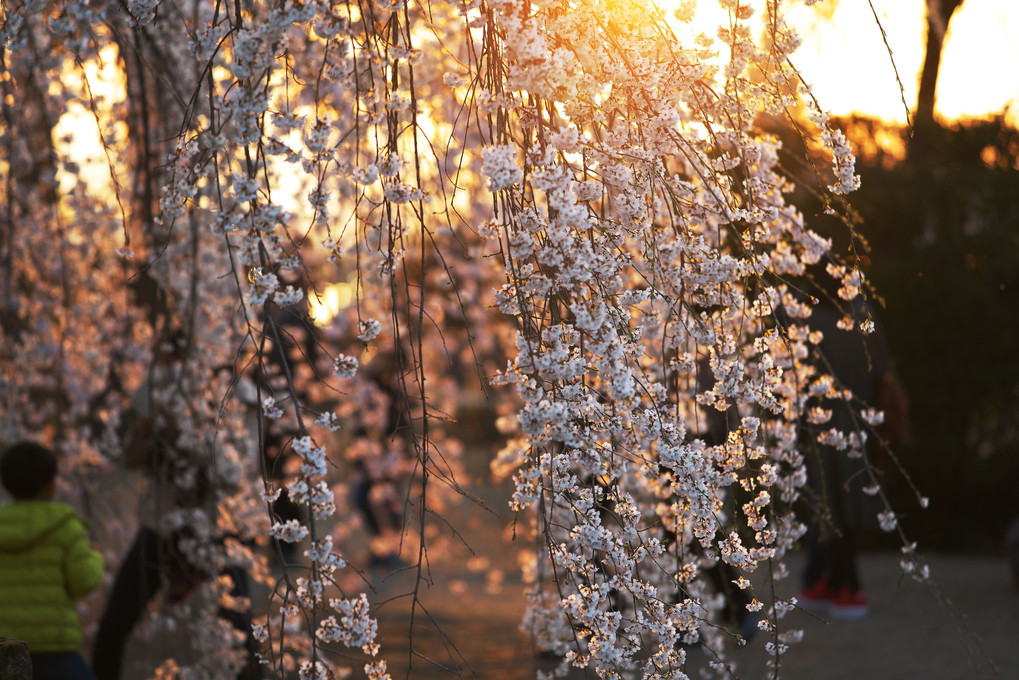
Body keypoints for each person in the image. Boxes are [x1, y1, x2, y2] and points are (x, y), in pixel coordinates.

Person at [794, 262, 910, 618]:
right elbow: (880, 367)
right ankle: (830, 582)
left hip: (821, 420)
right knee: (845, 506)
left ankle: (851, 588)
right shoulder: (865, 315)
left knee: (831, 510)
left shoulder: (810, 320)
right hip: (860, 417)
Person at [0, 440, 105, 680]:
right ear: (50, 485)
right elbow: (84, 581)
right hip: (55, 649)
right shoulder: (64, 525)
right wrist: (95, 557)